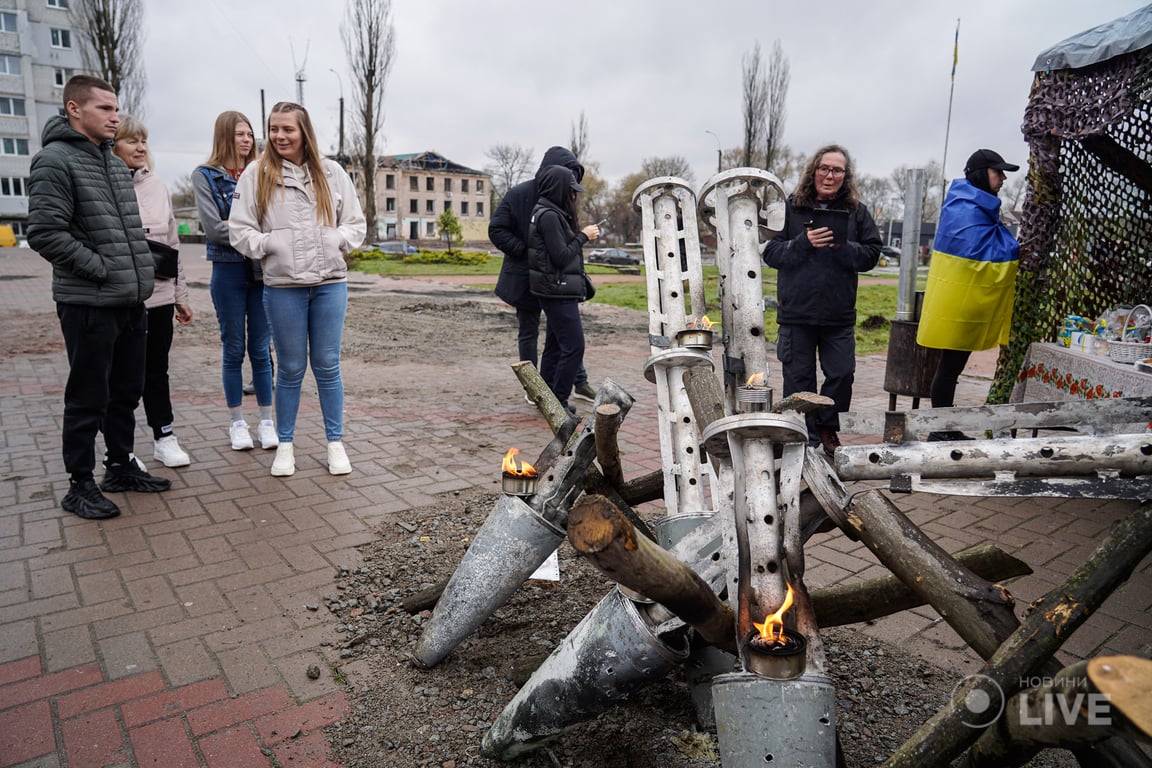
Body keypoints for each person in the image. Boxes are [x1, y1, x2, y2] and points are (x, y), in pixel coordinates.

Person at [28, 75, 171, 520]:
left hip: (129, 300)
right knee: (88, 395)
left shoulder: (110, 161)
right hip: (88, 302)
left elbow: (127, 232)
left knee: (125, 390)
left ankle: (120, 465)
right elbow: (45, 233)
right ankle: (80, 483)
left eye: (115, 108)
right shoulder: (54, 160)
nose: (115, 117)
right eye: (105, 109)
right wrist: (104, 270)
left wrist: (138, 275)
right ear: (74, 109)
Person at [228, 101, 366, 477]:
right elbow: (238, 230)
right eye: (273, 128)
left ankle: (335, 444)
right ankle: (285, 446)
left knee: (327, 366)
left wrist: (335, 239)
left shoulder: (332, 173)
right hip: (283, 286)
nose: (279, 136)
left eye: (287, 129)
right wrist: (270, 245)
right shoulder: (257, 174)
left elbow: (356, 224)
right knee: (289, 369)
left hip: (329, 286)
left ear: (304, 132)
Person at [762, 144, 882, 455]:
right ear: (814, 171)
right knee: (799, 381)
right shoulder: (790, 208)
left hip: (838, 314)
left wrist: (843, 247)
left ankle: (828, 428)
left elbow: (871, 254)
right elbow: (771, 253)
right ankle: (803, 436)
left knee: (842, 374)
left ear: (846, 176)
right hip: (796, 313)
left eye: (837, 170)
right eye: (825, 168)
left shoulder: (857, 212)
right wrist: (804, 243)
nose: (829, 175)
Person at [917, 149, 1021, 441]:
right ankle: (940, 431)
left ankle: (943, 428)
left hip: (963, 301)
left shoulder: (975, 205)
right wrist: (1014, 247)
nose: (1002, 179)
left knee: (951, 368)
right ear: (981, 172)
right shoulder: (966, 207)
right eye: (998, 172)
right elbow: (981, 252)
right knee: (948, 368)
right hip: (957, 304)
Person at [113, 115, 195, 468]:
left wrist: (181, 295)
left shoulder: (157, 185)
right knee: (122, 376)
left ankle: (164, 437)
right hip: (122, 296)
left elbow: (172, 243)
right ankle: (120, 449)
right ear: (113, 145)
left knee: (155, 371)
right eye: (132, 141)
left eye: (144, 140)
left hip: (159, 296)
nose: (141, 147)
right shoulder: (105, 184)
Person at [193, 111, 277, 453]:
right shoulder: (205, 176)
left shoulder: (262, 172)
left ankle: (267, 422)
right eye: (240, 134)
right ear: (225, 136)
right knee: (233, 348)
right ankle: (237, 424)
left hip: (261, 272)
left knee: (261, 349)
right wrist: (254, 232)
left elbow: (274, 220)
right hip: (227, 271)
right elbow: (213, 228)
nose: (247, 140)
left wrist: (242, 228)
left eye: (250, 134)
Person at [490, 146, 597, 403]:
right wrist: (527, 252)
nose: (572, 184)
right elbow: (497, 229)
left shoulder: (564, 198)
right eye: (568, 176)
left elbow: (565, 239)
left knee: (562, 334)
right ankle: (533, 387)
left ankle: (578, 382)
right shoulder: (519, 194)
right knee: (530, 331)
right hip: (524, 276)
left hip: (556, 280)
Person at [527, 165, 601, 414]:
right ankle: (558, 401)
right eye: (571, 191)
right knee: (574, 346)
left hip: (554, 289)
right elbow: (560, 256)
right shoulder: (549, 215)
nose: (574, 196)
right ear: (560, 189)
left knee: (556, 345)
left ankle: (547, 397)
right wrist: (583, 236)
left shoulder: (549, 212)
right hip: (557, 291)